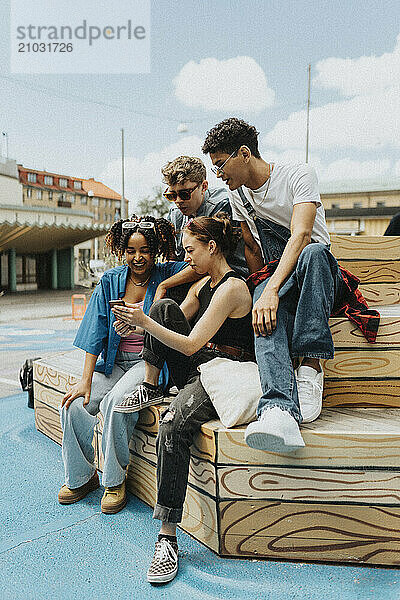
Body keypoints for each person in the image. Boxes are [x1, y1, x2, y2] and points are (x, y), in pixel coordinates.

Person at [111, 214, 254, 583]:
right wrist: (137, 321)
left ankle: (167, 537)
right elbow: (172, 323)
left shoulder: (232, 289)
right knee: (161, 308)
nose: (186, 256)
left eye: (190, 249)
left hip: (224, 371)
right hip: (199, 364)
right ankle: (151, 385)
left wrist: (144, 324)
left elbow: (190, 343)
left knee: (172, 424)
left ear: (211, 246)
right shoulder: (204, 284)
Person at [202, 118, 349, 452]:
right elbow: (253, 249)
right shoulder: (237, 194)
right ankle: (279, 410)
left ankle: (311, 366)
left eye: (221, 165)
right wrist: (263, 291)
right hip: (280, 277)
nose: (218, 175)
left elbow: (301, 234)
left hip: (319, 276)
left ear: (243, 153)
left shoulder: (298, 174)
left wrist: (271, 290)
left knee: (312, 253)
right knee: (261, 303)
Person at [58, 215, 188, 514]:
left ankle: (114, 481)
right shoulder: (110, 281)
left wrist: (167, 282)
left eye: (144, 250)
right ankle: (81, 477)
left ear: (154, 250)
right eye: (131, 250)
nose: (138, 257)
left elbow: (199, 267)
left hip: (149, 364)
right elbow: (95, 331)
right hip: (114, 363)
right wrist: (85, 381)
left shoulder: (167, 272)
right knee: (74, 404)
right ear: (121, 249)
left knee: (118, 402)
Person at [163, 155, 248, 278]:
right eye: (171, 195)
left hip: (231, 274)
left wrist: (164, 284)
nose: (178, 201)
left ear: (203, 187)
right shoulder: (175, 214)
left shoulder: (222, 205)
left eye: (184, 194)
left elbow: (210, 262)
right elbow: (173, 259)